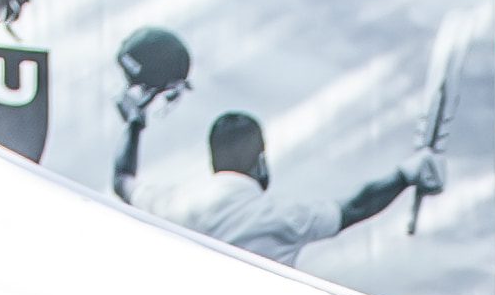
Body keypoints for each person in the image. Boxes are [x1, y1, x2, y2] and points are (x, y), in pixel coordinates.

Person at [110, 52, 443, 260]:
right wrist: (406, 174)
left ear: (214, 160)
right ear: (260, 160)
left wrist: (135, 123)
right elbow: (355, 206)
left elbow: (123, 182)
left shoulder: (177, 204)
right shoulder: (284, 216)